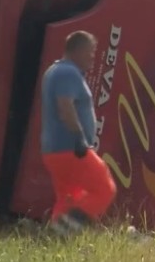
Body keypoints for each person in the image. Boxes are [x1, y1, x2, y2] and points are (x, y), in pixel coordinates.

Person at [41, 30, 117, 236]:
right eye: (90, 52)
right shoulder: (68, 73)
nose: (93, 58)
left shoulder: (54, 71)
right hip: (70, 149)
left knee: (67, 198)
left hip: (53, 151)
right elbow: (65, 106)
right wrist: (79, 139)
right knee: (105, 188)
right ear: (78, 50)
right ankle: (62, 231)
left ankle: (54, 241)